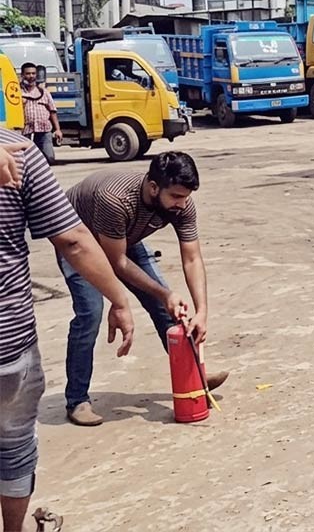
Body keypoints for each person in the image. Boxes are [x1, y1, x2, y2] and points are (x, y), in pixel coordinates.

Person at [0, 132, 136, 528]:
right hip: (7, 346)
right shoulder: (19, 152)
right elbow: (74, 241)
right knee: (13, 444)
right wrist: (120, 300)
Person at [61, 152, 228, 426]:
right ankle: (77, 399)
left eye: (185, 197)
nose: (182, 204)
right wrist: (161, 294)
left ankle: (195, 375)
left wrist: (202, 311)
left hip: (121, 237)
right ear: (153, 187)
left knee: (169, 307)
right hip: (78, 239)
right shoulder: (115, 200)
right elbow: (116, 263)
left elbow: (192, 258)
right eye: (175, 197)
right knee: (90, 312)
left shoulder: (181, 203)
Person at [18, 63, 61, 164]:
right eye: (28, 73)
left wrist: (58, 130)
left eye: (33, 73)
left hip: (44, 130)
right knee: (26, 160)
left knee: (48, 158)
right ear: (22, 75)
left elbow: (52, 111)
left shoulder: (44, 92)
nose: (31, 76)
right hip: (25, 131)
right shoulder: (17, 92)